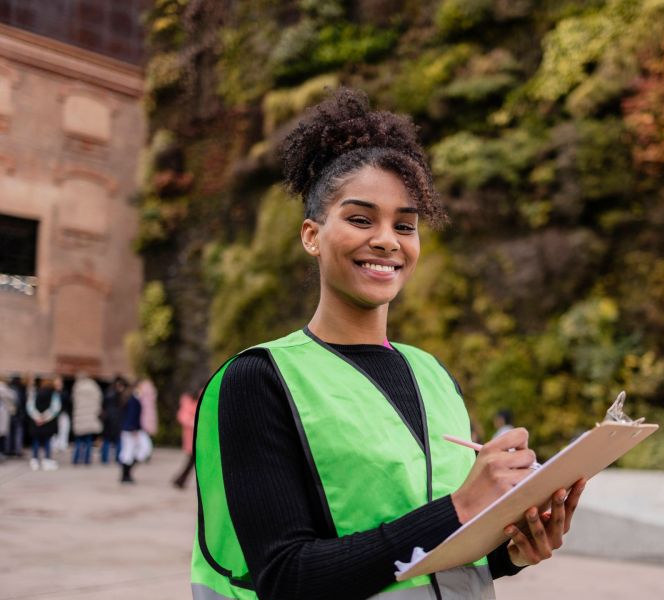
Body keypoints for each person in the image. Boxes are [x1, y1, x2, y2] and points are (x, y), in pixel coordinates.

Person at [190, 89, 585, 600]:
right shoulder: (258, 380)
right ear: (312, 235)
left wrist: (511, 548)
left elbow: (441, 551)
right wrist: (460, 508)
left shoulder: (433, 375)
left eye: (405, 225)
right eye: (360, 219)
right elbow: (285, 576)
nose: (387, 240)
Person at [26, 376, 61, 471]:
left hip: (36, 422)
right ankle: (47, 460)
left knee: (36, 441)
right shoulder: (54, 394)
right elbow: (56, 408)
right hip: (48, 422)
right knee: (47, 441)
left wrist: (37, 417)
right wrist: (45, 417)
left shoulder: (34, 392)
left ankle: (35, 461)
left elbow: (30, 406)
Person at [71, 372, 103, 465]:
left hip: (80, 417)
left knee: (78, 441)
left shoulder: (77, 387)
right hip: (90, 417)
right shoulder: (94, 387)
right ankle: (87, 460)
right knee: (89, 440)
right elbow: (99, 400)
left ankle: (76, 459)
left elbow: (73, 401)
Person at [172, 389, 198, 489]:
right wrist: (194, 422)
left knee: (192, 460)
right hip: (192, 434)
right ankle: (180, 480)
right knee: (192, 460)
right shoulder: (187, 399)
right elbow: (182, 416)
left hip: (197, 434)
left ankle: (180, 480)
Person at [100, 377, 125, 464]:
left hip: (108, 419)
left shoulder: (107, 394)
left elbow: (103, 406)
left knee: (106, 440)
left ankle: (104, 459)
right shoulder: (119, 395)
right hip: (116, 419)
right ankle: (118, 458)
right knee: (118, 440)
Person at [137, 378, 158, 461]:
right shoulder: (153, 393)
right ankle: (147, 454)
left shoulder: (141, 393)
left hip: (143, 418)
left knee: (143, 438)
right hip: (150, 418)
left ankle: (144, 454)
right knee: (148, 438)